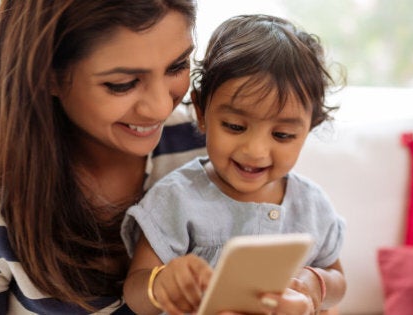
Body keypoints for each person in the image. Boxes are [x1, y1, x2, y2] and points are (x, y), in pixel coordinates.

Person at [0, 0, 205, 313]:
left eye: (178, 66)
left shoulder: (213, 149)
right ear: (48, 75)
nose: (160, 108)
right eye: (122, 84)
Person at [122, 14, 347, 315]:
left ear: (309, 129)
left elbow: (339, 281)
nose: (255, 151)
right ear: (201, 112)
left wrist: (313, 284)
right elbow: (134, 292)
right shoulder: (176, 198)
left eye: (282, 135)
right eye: (235, 127)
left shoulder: (312, 205)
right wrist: (162, 284)